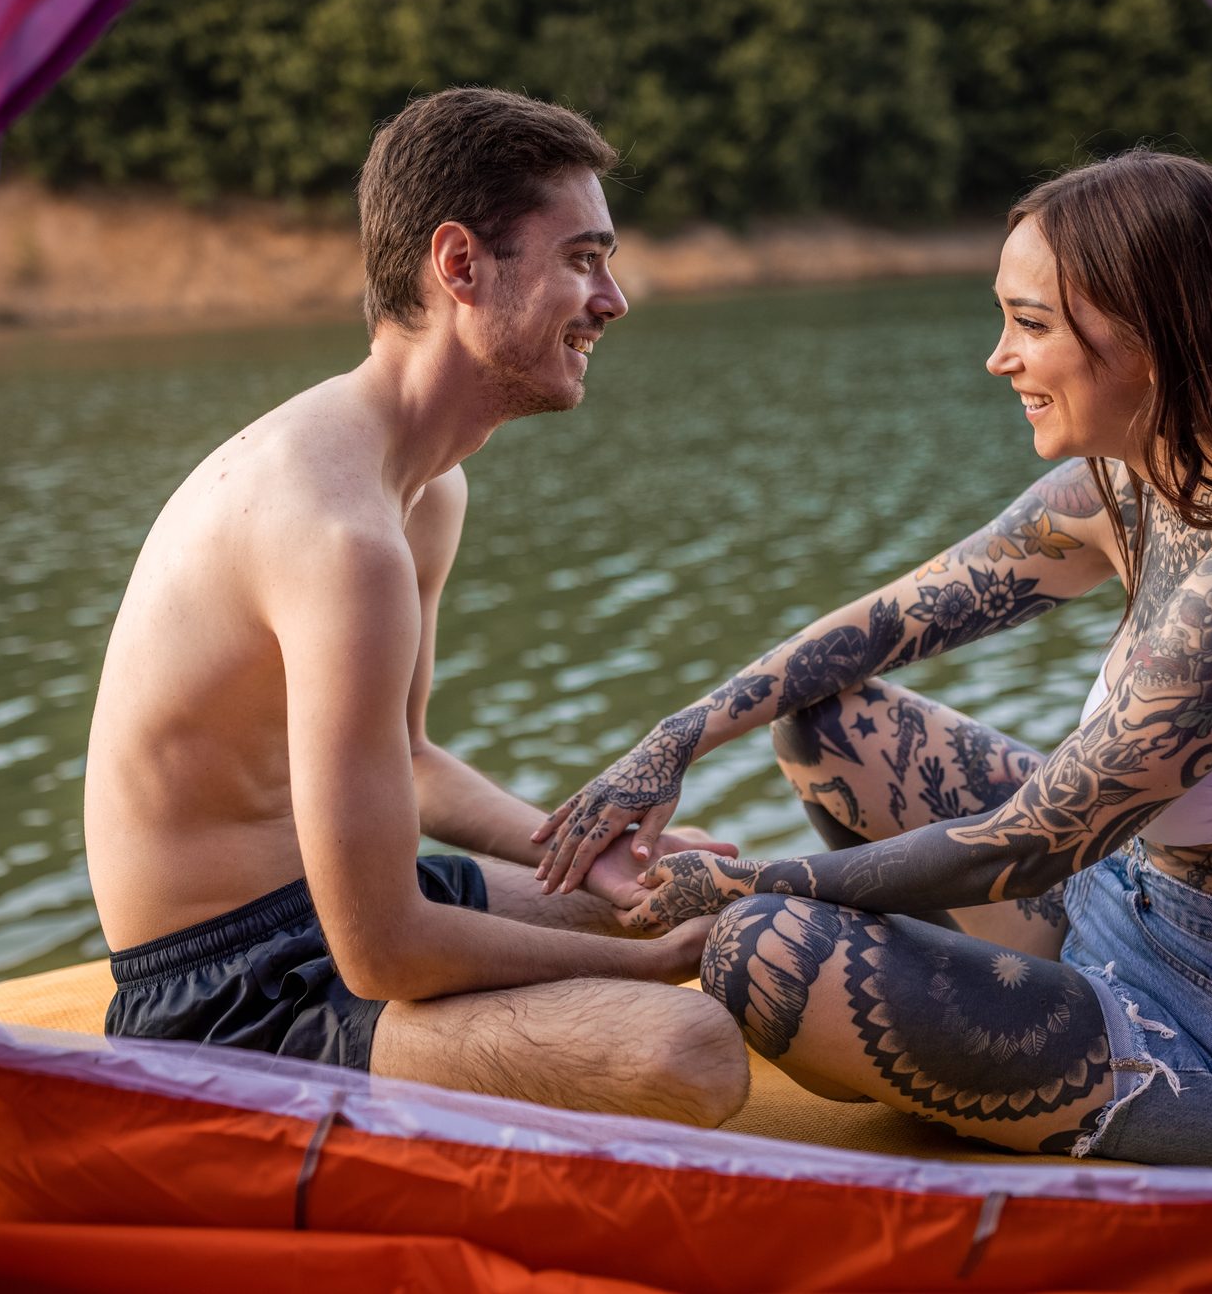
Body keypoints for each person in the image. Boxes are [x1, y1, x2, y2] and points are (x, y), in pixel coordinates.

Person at [532, 150, 1212, 1163]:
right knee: (830, 717)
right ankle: (999, 1019)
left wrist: (748, 882)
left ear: (1152, 333)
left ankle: (1106, 1094)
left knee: (763, 949)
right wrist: (675, 736)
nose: (998, 358)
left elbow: (1033, 838)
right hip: (1113, 896)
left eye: (1031, 323)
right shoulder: (1132, 488)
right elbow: (886, 620)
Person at [83, 87, 749, 1126]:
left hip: (323, 912)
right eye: (581, 257)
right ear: (458, 265)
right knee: (687, 1050)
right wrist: (651, 966)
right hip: (227, 996)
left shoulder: (426, 485)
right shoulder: (337, 535)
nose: (612, 297)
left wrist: (575, 847)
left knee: (692, 876)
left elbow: (404, 754)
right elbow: (383, 948)